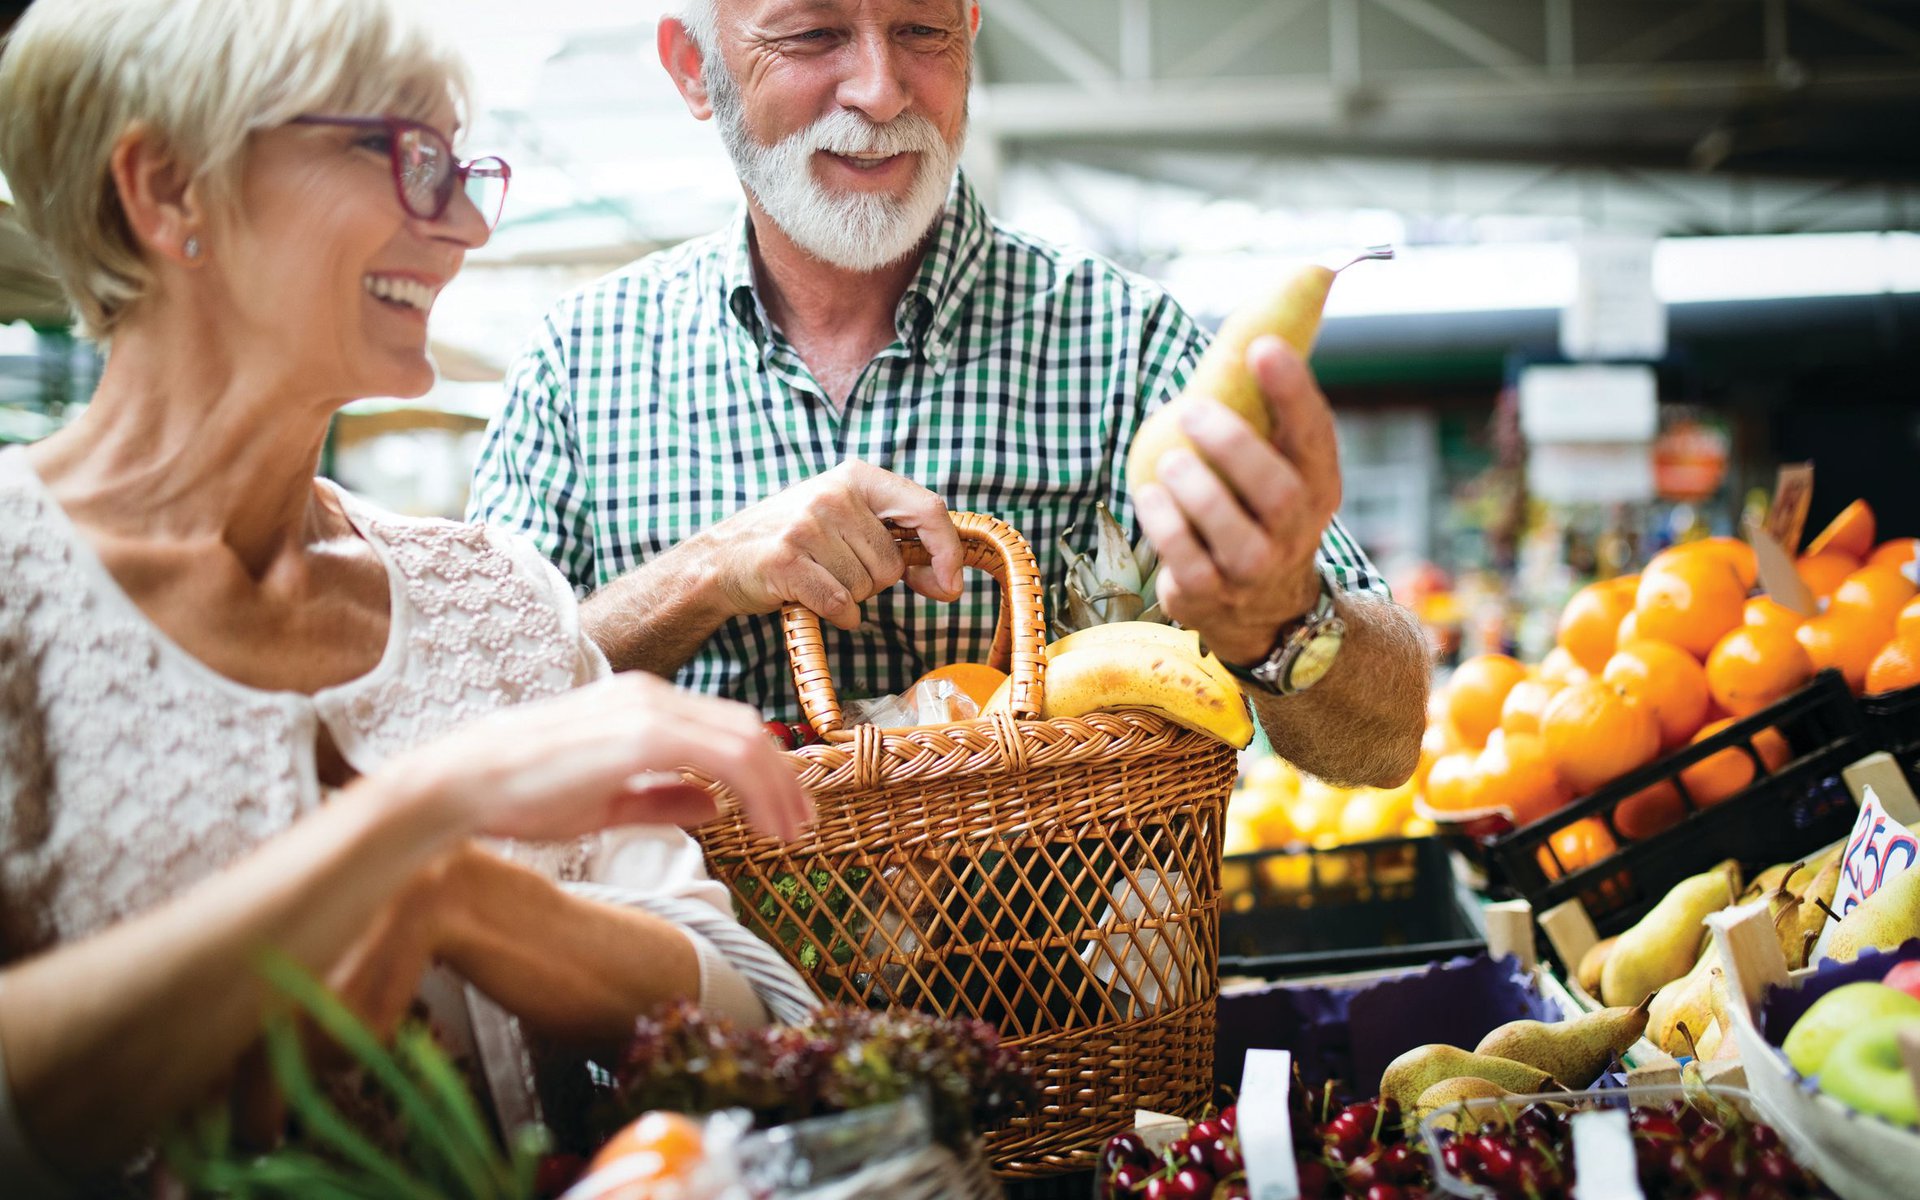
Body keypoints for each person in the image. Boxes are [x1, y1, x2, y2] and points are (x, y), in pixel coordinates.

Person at [0, 0, 815, 1185]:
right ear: (168, 188)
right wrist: (407, 823)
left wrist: (463, 895)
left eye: (463, 170)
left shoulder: (487, 593)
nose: (468, 226)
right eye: (404, 156)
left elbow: (758, 1015)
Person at [470, 0, 1428, 787]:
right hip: (689, 964)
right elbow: (463, 724)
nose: (880, 91)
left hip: (1064, 968)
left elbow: (1386, 745)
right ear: (694, 68)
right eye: (812, 33)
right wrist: (706, 573)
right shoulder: (577, 363)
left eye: (922, 30)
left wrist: (1284, 619)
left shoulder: (1126, 343)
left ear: (969, 32)